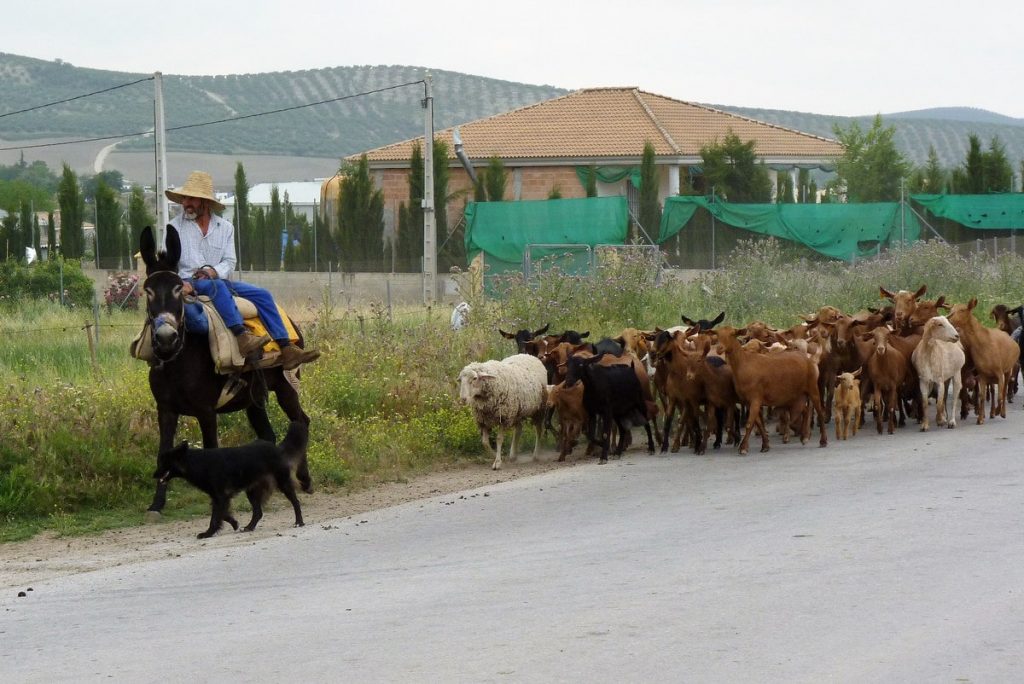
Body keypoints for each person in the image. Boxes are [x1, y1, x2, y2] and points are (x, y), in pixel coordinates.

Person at [165, 171, 320, 371]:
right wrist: (179, 284)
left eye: (192, 198)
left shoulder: (225, 228)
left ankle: (286, 347)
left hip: (217, 280)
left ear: (205, 202)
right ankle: (241, 336)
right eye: (184, 198)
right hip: (189, 281)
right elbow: (167, 264)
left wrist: (214, 271)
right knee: (218, 287)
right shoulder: (174, 228)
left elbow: (230, 261)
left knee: (263, 294)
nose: (186, 203)